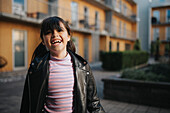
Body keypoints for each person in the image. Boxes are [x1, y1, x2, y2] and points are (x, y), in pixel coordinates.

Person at [20, 16, 105, 113]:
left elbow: (94, 103)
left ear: (68, 36)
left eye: (59, 30)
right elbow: (27, 104)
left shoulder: (83, 67)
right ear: (43, 41)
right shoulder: (36, 67)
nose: (54, 34)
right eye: (48, 32)